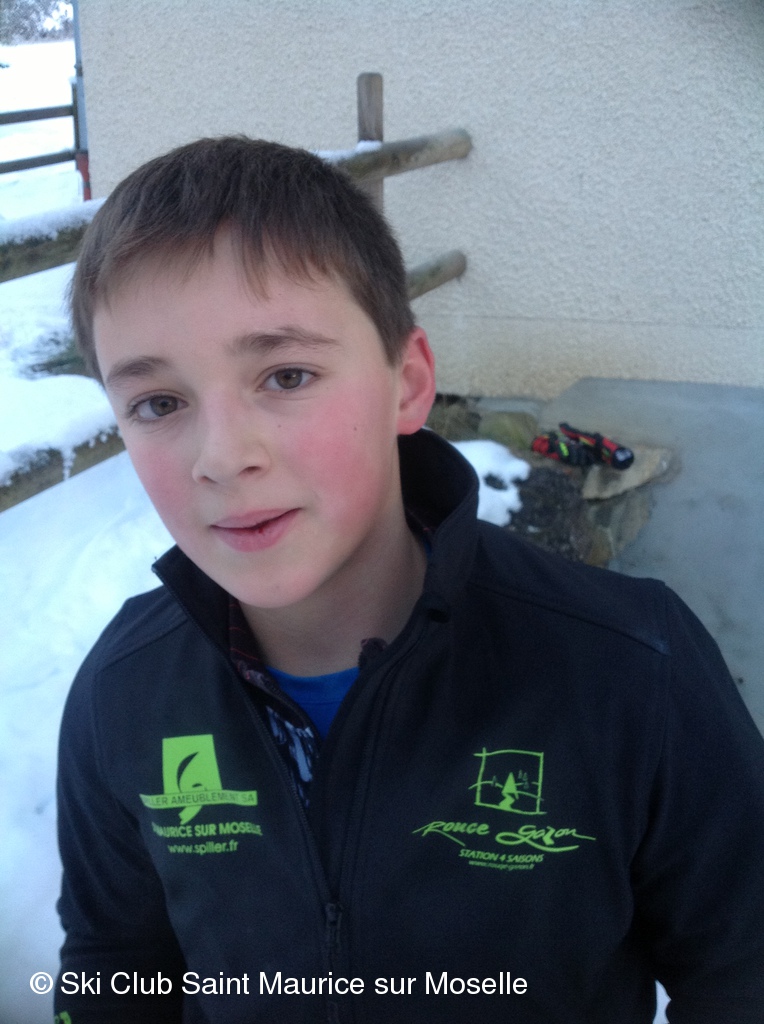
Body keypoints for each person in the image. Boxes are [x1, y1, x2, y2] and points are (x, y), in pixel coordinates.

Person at [55, 136, 764, 1024]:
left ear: (408, 382)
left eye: (286, 375)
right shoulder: (124, 691)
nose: (223, 457)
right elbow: (114, 969)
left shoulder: (627, 669)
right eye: (159, 403)